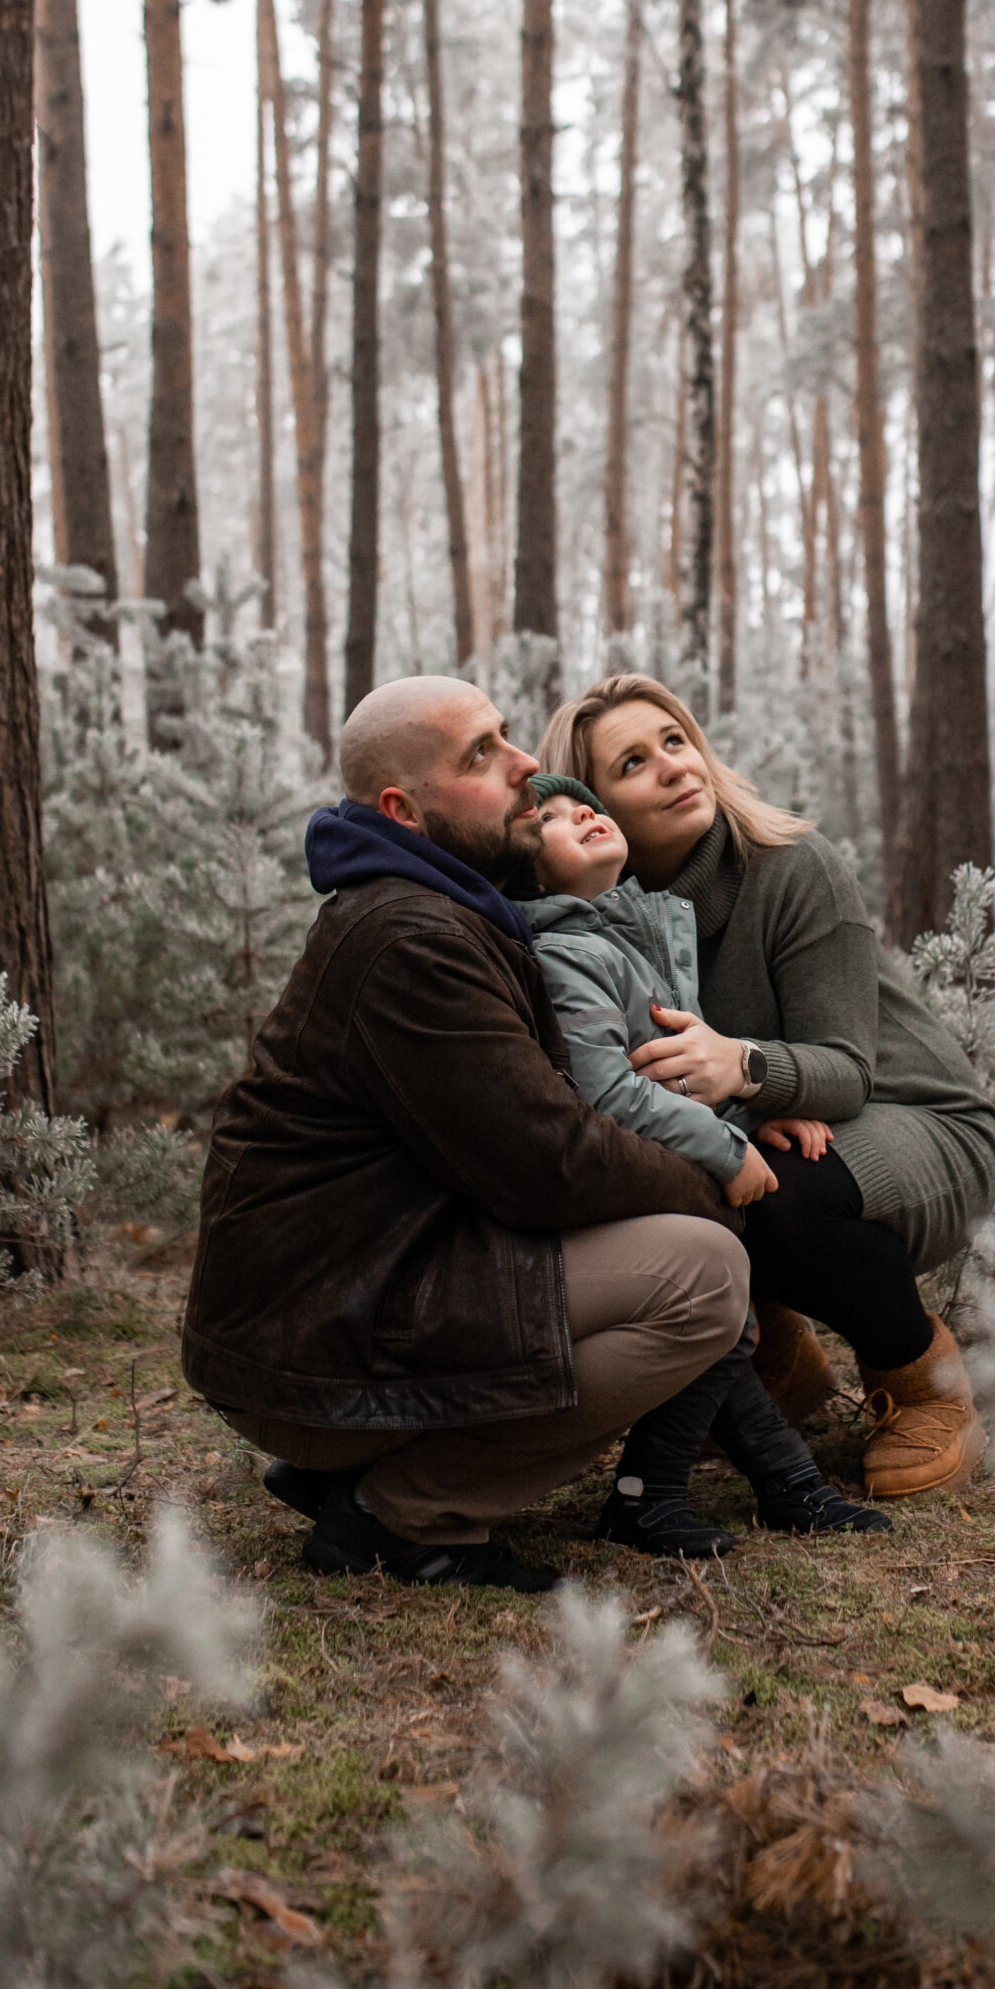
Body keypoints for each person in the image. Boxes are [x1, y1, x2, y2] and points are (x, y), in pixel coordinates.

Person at [182, 677, 758, 1595]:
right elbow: (552, 1163)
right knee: (702, 1277)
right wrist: (718, 1181)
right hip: (322, 1335)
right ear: (405, 811)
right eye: (481, 755)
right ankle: (404, 1515)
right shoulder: (411, 939)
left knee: (686, 1251)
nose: (528, 765)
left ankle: (358, 1470)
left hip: (358, 1293)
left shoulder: (450, 907)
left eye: (504, 736)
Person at [538, 675, 995, 1499]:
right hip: (772, 1123)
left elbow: (847, 1071)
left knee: (780, 1194)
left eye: (676, 742)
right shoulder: (591, 923)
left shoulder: (792, 868)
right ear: (591, 804)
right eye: (633, 762)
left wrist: (746, 1070)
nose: (673, 768)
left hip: (917, 1121)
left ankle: (925, 1384)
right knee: (656, 1184)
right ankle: (777, 1366)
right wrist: (746, 1118)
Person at [517, 772, 890, 1553]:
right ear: (526, 869)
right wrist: (727, 1146)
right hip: (630, 1177)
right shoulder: (564, 952)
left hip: (665, 1163)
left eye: (584, 802)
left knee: (730, 1333)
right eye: (551, 818)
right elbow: (606, 1090)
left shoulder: (624, 935)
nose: (583, 812)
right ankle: (670, 1494)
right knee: (727, 1327)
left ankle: (764, 1488)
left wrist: (758, 1111)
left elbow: (679, 1066)